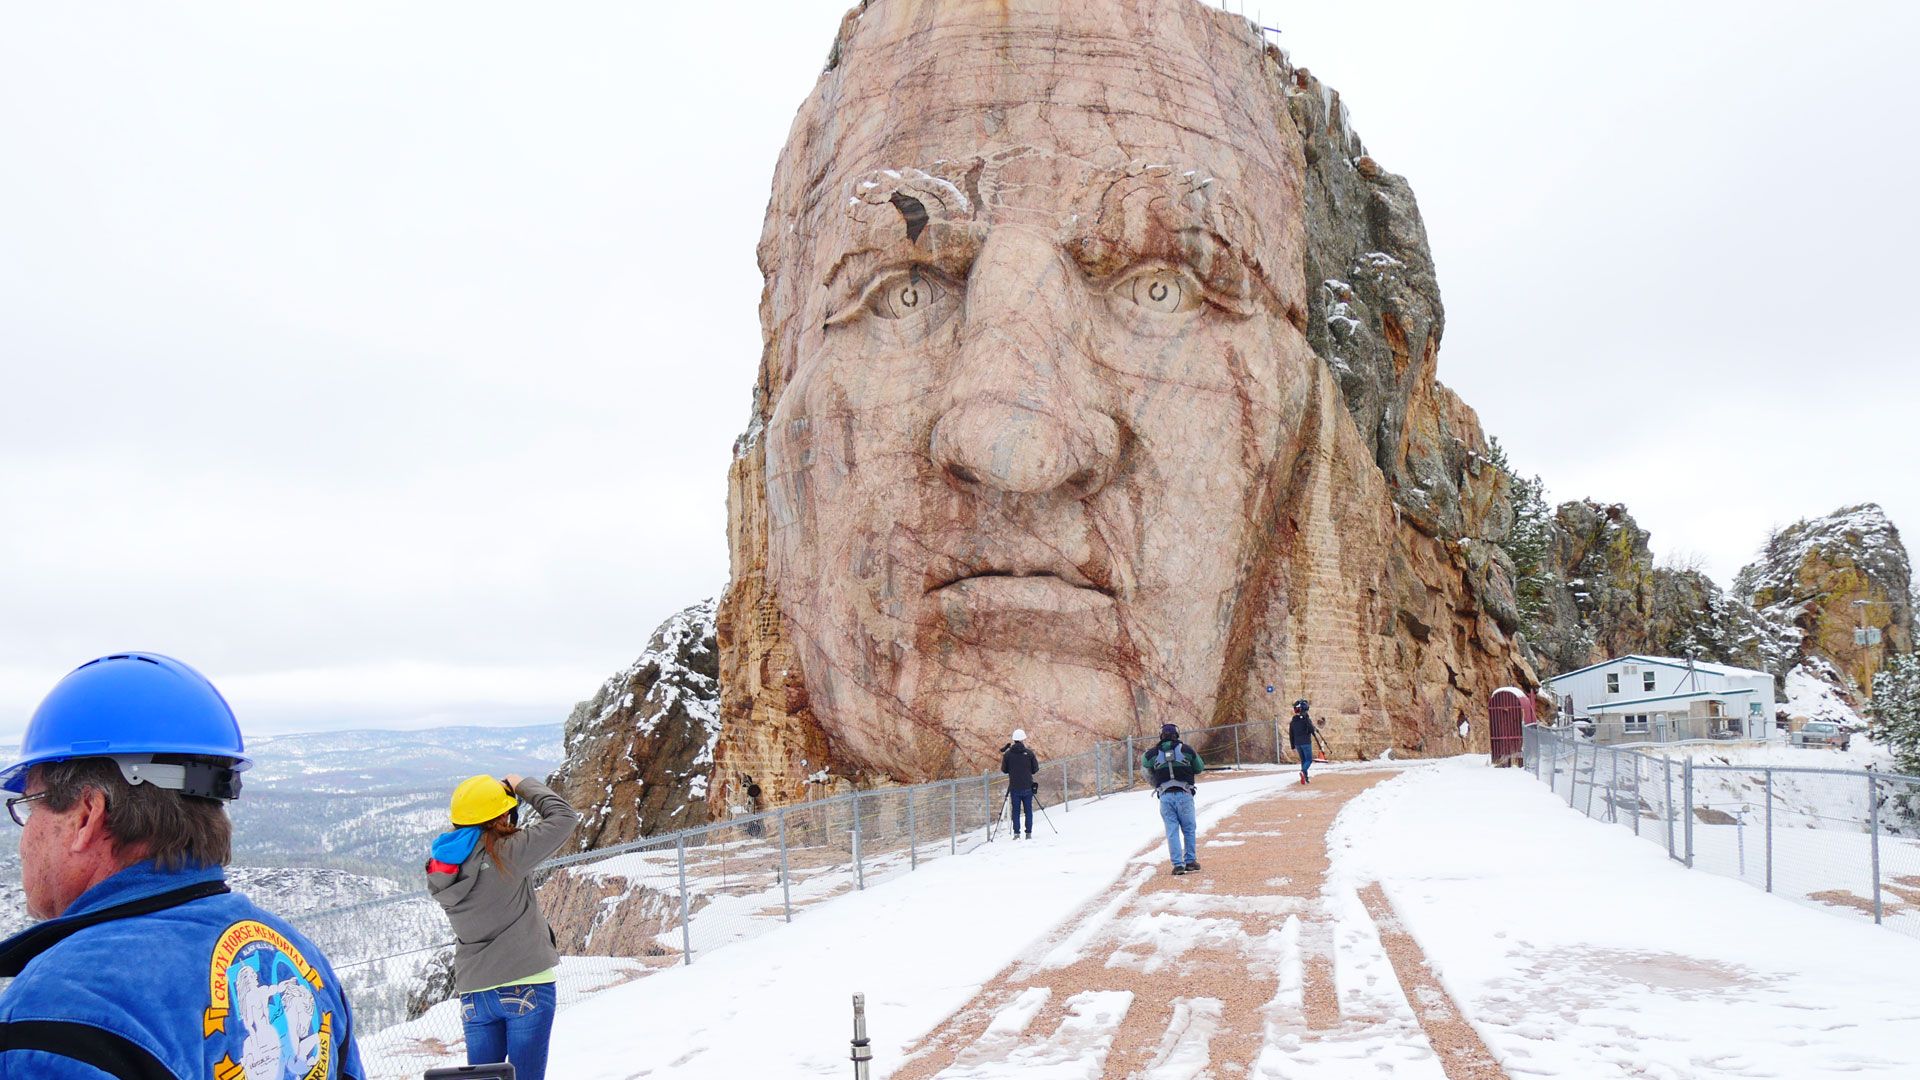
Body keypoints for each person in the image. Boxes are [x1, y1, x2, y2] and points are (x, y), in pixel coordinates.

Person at [0, 651, 366, 1078]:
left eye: (30, 806)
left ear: (86, 815)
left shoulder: (56, 1011)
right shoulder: (299, 960)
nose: (24, 838)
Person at [427, 771, 580, 1080]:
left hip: (475, 993)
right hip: (526, 982)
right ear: (503, 814)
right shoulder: (507, 853)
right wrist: (521, 783)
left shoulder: (442, 867)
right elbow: (563, 816)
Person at [1141, 724, 1205, 876]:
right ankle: (1190, 861)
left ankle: (1178, 865)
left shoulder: (1151, 754)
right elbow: (1199, 768)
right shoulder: (1187, 750)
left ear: (1160, 736)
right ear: (1177, 734)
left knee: (1172, 830)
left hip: (1165, 796)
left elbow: (1145, 765)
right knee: (1189, 829)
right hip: (1185, 795)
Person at [999, 730, 1040, 839]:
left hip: (1014, 787)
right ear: (1022, 739)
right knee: (1028, 811)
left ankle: (1016, 833)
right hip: (1027, 786)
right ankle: (1028, 833)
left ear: (1014, 739)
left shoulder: (1007, 755)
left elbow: (1004, 770)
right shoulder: (1029, 753)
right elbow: (1035, 769)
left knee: (1016, 811)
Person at [1290, 700, 1328, 784]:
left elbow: (1291, 733)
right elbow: (1311, 729)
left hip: (1297, 743)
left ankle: (1305, 777)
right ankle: (1303, 772)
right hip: (1306, 742)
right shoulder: (1306, 719)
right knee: (1309, 760)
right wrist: (1309, 723)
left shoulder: (1293, 721)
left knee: (1303, 760)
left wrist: (1292, 745)